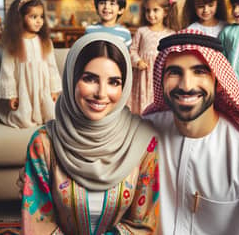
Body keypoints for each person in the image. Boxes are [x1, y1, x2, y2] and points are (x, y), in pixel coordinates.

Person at [143, 29, 239, 234]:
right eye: (175, 72)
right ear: (161, 80)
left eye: (200, 71)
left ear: (217, 80)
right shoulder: (142, 135)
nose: (186, 85)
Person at [21, 33, 159, 234]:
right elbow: (38, 223)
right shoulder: (44, 143)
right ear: (71, 78)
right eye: (90, 79)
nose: (101, 93)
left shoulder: (145, 143)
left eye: (114, 82)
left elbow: (145, 224)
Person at [0, 0, 61, 128]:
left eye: (41, 17)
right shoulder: (13, 43)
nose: (39, 21)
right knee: (24, 121)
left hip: (43, 87)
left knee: (51, 116)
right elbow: (7, 71)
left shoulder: (45, 41)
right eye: (33, 17)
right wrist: (11, 95)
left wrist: (54, 90)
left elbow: (51, 66)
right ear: (20, 18)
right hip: (23, 88)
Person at [129, 0, 179, 114]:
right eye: (147, 10)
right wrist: (138, 61)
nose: (151, 14)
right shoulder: (142, 31)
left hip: (161, 76)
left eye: (155, 10)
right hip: (143, 76)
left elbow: (174, 56)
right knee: (142, 104)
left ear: (165, 12)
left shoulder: (171, 34)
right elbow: (132, 50)